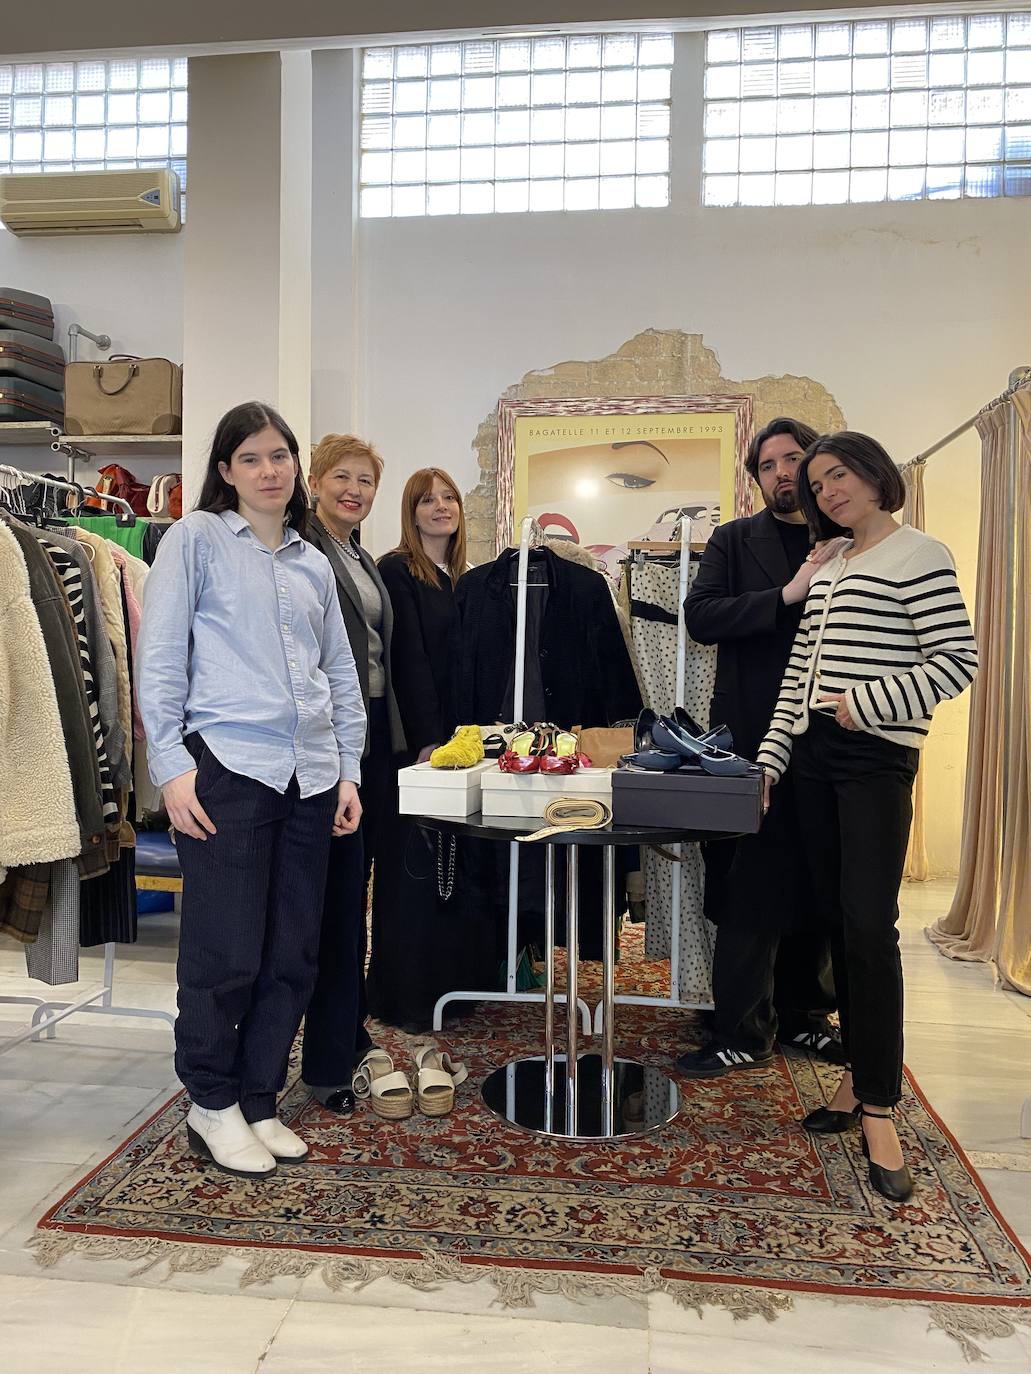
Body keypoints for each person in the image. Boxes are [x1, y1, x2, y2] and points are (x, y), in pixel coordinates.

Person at [137, 401, 366, 1178]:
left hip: (308, 774)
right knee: (224, 949)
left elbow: (338, 673)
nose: (271, 471)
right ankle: (210, 1100)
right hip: (227, 769)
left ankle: (257, 1098)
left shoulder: (312, 560)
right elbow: (161, 658)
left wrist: (347, 770)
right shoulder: (194, 540)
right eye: (253, 459)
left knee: (292, 954)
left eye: (281, 456)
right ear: (227, 471)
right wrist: (170, 766)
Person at [756, 431, 977, 1202]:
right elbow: (797, 673)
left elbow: (956, 659)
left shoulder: (920, 553)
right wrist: (770, 761)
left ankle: (879, 1106)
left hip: (874, 757)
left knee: (867, 928)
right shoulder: (831, 564)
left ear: (875, 475)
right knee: (829, 919)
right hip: (813, 760)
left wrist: (863, 705)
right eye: (815, 483)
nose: (825, 490)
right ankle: (856, 1079)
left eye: (836, 475)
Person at [679, 417, 847, 1080]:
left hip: (835, 734)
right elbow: (702, 617)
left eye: (792, 459)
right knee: (747, 882)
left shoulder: (848, 538)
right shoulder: (732, 540)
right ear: (756, 478)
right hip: (749, 737)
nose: (781, 472)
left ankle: (807, 1017)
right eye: (768, 464)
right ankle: (740, 1027)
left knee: (819, 876)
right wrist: (785, 595)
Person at [300, 434, 406, 1113]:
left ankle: (344, 1033)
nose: (354, 490)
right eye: (342, 477)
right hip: (321, 740)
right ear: (314, 480)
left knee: (351, 893)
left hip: (363, 735)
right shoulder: (303, 549)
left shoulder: (357, 553)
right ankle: (328, 1060)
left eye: (366, 481)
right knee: (333, 901)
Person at [366, 468, 472, 1030]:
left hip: (460, 745)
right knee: (411, 871)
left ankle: (450, 985)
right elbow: (407, 664)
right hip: (418, 747)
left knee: (450, 867)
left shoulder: (460, 576)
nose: (440, 507)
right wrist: (428, 742)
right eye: (427, 500)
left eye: (448, 497)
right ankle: (405, 994)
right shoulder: (397, 570)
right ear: (411, 512)